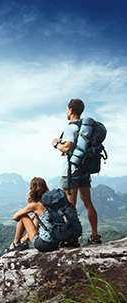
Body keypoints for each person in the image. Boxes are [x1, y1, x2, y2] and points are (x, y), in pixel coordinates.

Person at [52, 99, 101, 245]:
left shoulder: (70, 128)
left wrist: (55, 143)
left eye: (67, 109)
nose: (66, 112)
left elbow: (67, 147)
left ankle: (72, 238)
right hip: (84, 171)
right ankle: (95, 235)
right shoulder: (86, 128)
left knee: (69, 205)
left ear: (71, 110)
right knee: (88, 203)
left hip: (71, 171)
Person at [5, 177, 59, 253]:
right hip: (55, 243)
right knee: (36, 218)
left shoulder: (35, 205)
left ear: (33, 189)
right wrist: (34, 216)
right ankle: (24, 240)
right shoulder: (50, 202)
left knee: (23, 217)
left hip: (44, 244)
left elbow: (15, 217)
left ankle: (16, 244)